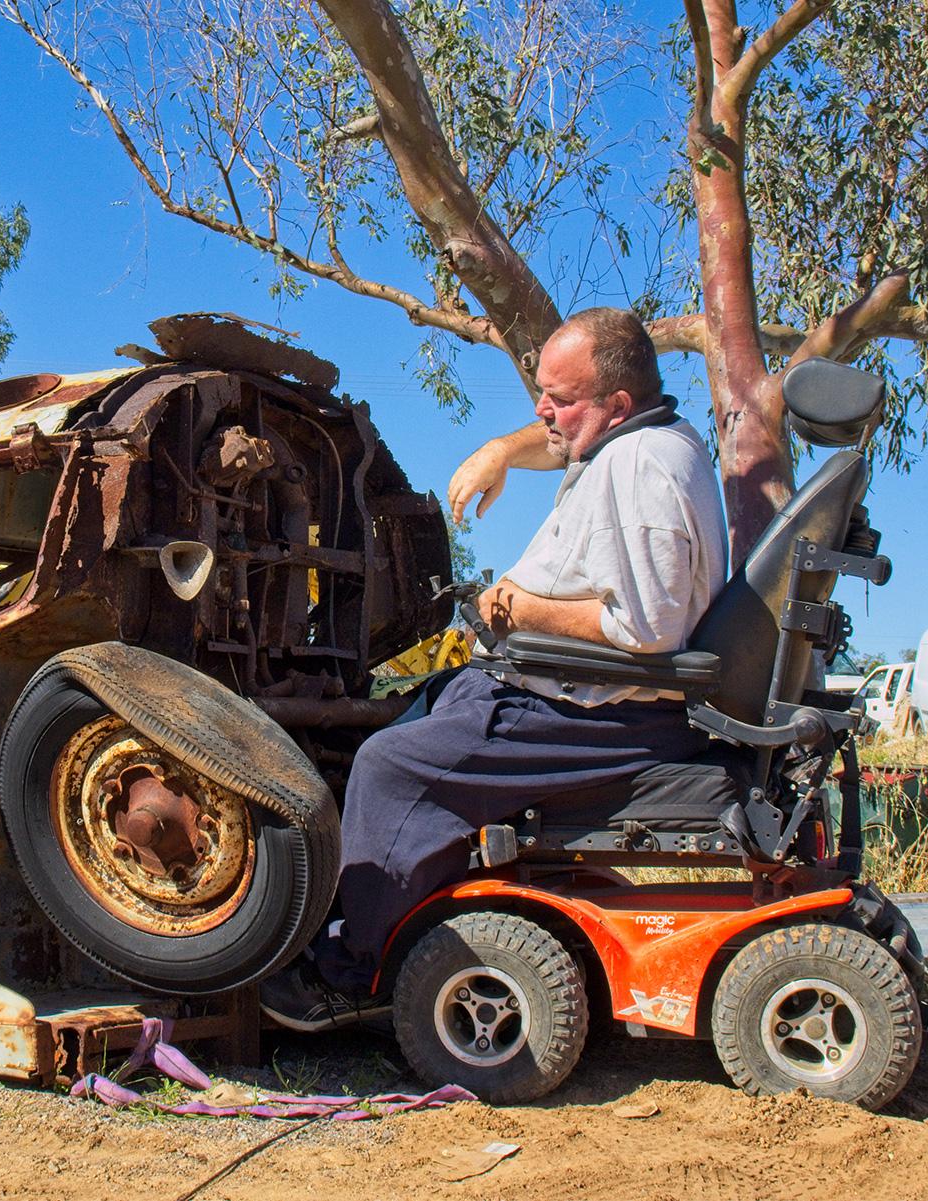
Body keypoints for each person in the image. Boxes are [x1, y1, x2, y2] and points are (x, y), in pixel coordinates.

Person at [259, 308, 729, 1030]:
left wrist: (518, 607)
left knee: (388, 766)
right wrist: (501, 450)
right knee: (392, 722)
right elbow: (556, 440)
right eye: (542, 392)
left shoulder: (641, 474)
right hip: (553, 685)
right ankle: (366, 921)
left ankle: (349, 980)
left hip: (588, 708)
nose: (544, 410)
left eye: (560, 398)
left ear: (617, 404)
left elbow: (647, 629)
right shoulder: (642, 435)